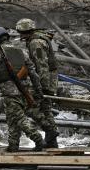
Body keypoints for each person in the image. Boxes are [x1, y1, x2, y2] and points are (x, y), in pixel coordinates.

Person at [16, 18, 59, 148]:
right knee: (46, 109)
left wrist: (42, 87)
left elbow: (42, 65)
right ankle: (52, 141)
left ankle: (50, 131)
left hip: (45, 80)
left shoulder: (35, 43)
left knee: (28, 106)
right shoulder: (37, 39)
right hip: (48, 79)